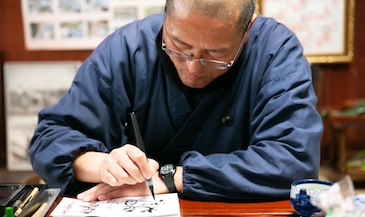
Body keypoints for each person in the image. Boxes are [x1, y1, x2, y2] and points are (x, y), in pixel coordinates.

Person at [29, 0, 323, 202]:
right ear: (165, 17)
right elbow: (49, 138)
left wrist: (173, 179)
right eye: (180, 46)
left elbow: (294, 161)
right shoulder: (129, 48)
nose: (193, 68)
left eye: (216, 55)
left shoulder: (274, 51)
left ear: (247, 32)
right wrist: (102, 165)